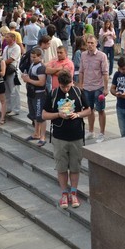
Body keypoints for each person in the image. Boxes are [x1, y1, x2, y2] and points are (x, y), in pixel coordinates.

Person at [42, 71, 91, 209]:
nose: (66, 89)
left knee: (75, 167)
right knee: (61, 167)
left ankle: (73, 193)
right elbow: (44, 115)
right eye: (63, 87)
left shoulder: (78, 91)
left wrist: (78, 114)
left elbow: (89, 110)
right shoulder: (53, 93)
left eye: (68, 86)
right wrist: (58, 114)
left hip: (76, 135)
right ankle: (64, 193)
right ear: (59, 84)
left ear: (72, 82)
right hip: (59, 136)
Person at [78, 34, 109, 142]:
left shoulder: (102, 56)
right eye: (88, 43)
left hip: (98, 87)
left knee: (101, 110)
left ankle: (102, 133)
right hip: (86, 87)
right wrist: (80, 85)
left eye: (92, 43)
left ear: (96, 44)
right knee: (89, 110)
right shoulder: (83, 55)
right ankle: (91, 131)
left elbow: (105, 73)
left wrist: (106, 88)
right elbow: (81, 71)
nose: (90, 45)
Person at [23, 47, 48, 147]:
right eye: (31, 57)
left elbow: (42, 82)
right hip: (31, 93)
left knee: (40, 116)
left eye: (34, 57)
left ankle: (42, 137)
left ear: (40, 57)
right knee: (34, 116)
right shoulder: (33, 64)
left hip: (39, 94)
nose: (32, 59)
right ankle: (36, 133)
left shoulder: (41, 67)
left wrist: (28, 80)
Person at [2, 32, 22, 116]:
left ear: (13, 39)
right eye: (5, 37)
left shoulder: (16, 48)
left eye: (7, 37)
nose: (5, 39)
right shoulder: (6, 47)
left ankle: (16, 109)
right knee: (7, 91)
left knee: (14, 91)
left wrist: (1, 63)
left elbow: (11, 59)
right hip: (6, 71)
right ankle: (9, 107)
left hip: (13, 71)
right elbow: (3, 58)